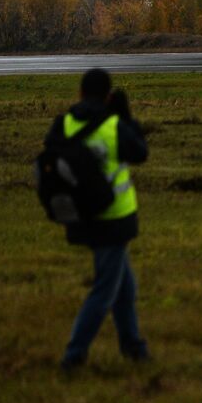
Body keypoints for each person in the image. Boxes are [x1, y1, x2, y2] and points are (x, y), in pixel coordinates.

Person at [45, 68, 151, 369]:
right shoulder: (113, 125)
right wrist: (125, 115)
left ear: (79, 93)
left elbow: (50, 152)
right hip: (113, 218)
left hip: (80, 215)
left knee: (125, 287)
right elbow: (140, 153)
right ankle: (74, 354)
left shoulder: (64, 123)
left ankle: (134, 348)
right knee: (105, 290)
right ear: (107, 95)